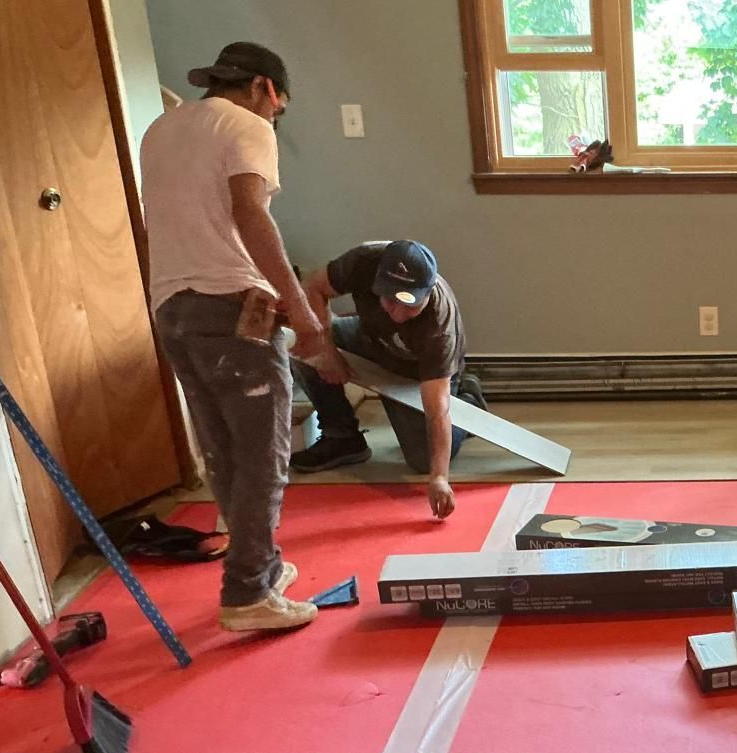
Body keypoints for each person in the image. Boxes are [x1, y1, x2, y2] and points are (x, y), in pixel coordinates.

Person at [141, 42, 325, 633]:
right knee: (264, 457)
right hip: (231, 306)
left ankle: (262, 568)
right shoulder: (247, 124)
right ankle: (247, 592)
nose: (275, 119)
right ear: (266, 89)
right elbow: (250, 212)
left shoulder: (162, 129)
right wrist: (299, 307)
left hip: (171, 307)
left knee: (222, 450)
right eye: (280, 108)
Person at [290, 240, 485, 520]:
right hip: (371, 339)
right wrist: (326, 351)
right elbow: (313, 286)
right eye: (389, 301)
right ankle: (343, 437)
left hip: (417, 371)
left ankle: (468, 401)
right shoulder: (364, 261)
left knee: (422, 459)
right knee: (302, 345)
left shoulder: (439, 331)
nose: (398, 314)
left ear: (427, 293)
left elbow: (437, 409)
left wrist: (439, 478)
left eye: (410, 305)